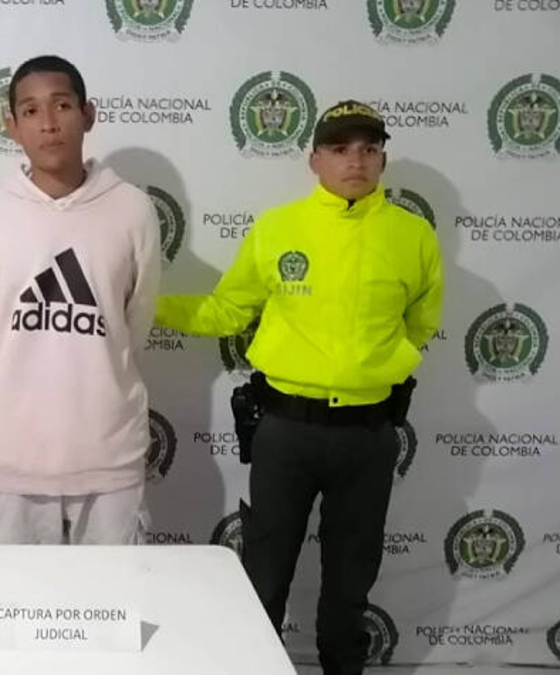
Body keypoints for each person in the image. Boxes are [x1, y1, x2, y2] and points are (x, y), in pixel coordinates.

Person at [155, 100, 444, 675]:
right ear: (315, 161)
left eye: (368, 149)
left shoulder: (413, 236)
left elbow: (421, 323)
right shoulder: (278, 228)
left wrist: (377, 368)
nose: (355, 160)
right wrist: (146, 306)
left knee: (351, 580)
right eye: (340, 149)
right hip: (285, 431)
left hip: (368, 433)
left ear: (382, 159)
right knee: (265, 572)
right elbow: (227, 310)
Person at [0, 55, 161, 545]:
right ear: (11, 125)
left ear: (88, 114)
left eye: (62, 105)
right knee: (10, 594)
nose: (48, 123)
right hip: (11, 460)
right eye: (30, 110)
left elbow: (133, 326)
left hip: (108, 459)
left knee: (111, 593)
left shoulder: (132, 209)